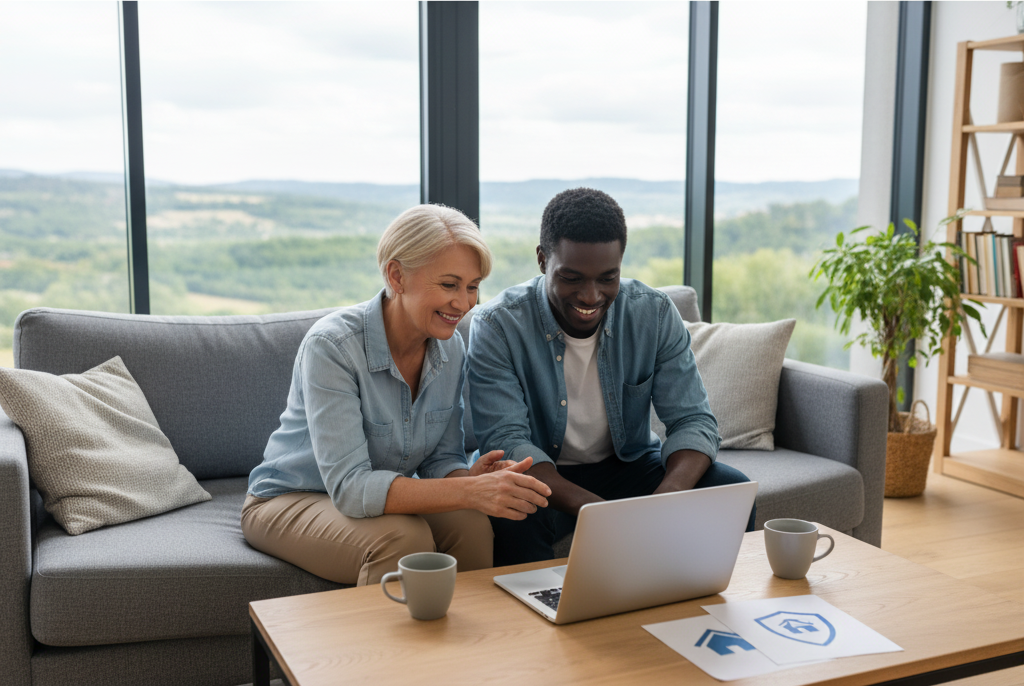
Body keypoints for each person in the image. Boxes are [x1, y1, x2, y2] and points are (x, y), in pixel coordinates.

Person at [242, 205, 551, 586]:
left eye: (472, 287)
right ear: (396, 276)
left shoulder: (451, 347)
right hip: (289, 498)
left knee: (470, 523)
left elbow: (442, 459)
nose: (464, 303)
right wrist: (467, 489)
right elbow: (351, 488)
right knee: (404, 538)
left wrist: (469, 478)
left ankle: (471, 627)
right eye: (449, 285)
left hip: (364, 497)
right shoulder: (333, 347)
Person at [467, 188, 755, 566]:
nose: (591, 296)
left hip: (628, 464)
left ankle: (692, 598)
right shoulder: (498, 325)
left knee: (730, 491)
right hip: (541, 474)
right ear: (542, 259)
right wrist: (606, 514)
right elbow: (508, 443)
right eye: (571, 278)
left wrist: (666, 497)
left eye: (607, 278)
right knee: (514, 512)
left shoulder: (653, 313)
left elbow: (693, 420)